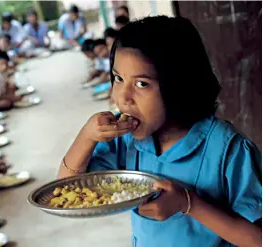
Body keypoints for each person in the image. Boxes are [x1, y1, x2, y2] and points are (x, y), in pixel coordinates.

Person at [58, 16, 261, 247]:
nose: (122, 97)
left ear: (178, 87)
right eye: (118, 78)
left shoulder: (228, 150)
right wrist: (86, 137)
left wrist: (188, 203)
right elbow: (66, 191)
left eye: (142, 84)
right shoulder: (124, 140)